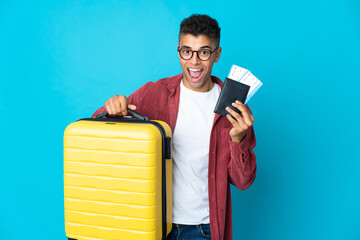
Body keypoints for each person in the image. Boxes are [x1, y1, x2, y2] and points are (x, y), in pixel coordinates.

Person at [92, 14, 257, 240]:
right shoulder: (156, 93)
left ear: (217, 55)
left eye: (204, 52)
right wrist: (111, 109)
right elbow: (95, 126)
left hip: (205, 229)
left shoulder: (233, 110)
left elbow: (243, 181)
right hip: (155, 225)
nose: (194, 62)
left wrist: (238, 139)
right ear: (179, 50)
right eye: (187, 51)